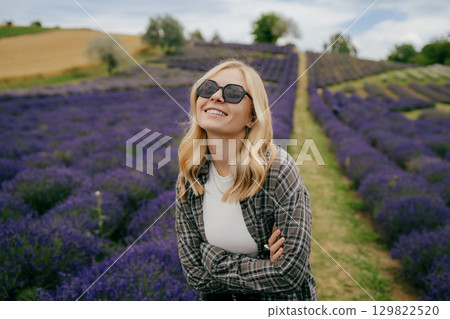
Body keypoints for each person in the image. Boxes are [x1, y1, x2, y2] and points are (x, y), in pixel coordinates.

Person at [175, 59, 318, 301]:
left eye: (233, 93)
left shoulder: (277, 171)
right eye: (208, 88)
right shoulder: (190, 175)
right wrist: (262, 263)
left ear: (252, 117)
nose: (216, 97)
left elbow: (289, 274)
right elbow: (195, 274)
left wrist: (213, 259)